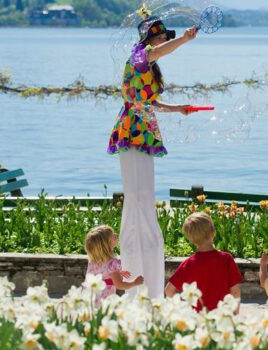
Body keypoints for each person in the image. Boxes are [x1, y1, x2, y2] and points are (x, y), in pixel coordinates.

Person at [107, 4, 198, 298]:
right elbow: (156, 53)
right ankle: (137, 273)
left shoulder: (148, 62)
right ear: (151, 39)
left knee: (144, 198)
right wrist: (184, 40)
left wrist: (178, 108)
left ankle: (147, 272)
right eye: (160, 38)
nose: (162, 42)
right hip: (133, 131)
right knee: (137, 198)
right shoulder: (139, 55)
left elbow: (150, 103)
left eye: (164, 38)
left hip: (143, 130)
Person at [165, 212, 243, 312]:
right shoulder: (226, 259)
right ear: (212, 232)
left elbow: (168, 291)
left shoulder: (188, 264)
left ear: (191, 239)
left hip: (199, 320)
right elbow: (235, 292)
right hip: (222, 316)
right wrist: (235, 311)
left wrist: (182, 309)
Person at [84, 225, 143, 306]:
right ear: (106, 244)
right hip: (104, 302)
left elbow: (103, 273)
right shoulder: (113, 264)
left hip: (90, 298)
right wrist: (134, 283)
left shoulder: (92, 261)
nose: (116, 235)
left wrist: (119, 272)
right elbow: (119, 285)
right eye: (113, 236)